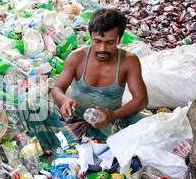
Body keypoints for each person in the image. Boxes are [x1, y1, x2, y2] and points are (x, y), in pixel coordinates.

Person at [51, 8, 148, 138]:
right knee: (34, 105)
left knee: (150, 132)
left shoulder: (128, 61)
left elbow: (141, 99)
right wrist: (65, 100)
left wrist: (113, 115)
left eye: (110, 43)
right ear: (89, 36)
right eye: (97, 41)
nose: (102, 49)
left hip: (110, 120)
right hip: (75, 118)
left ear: (119, 39)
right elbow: (58, 88)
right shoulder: (77, 57)